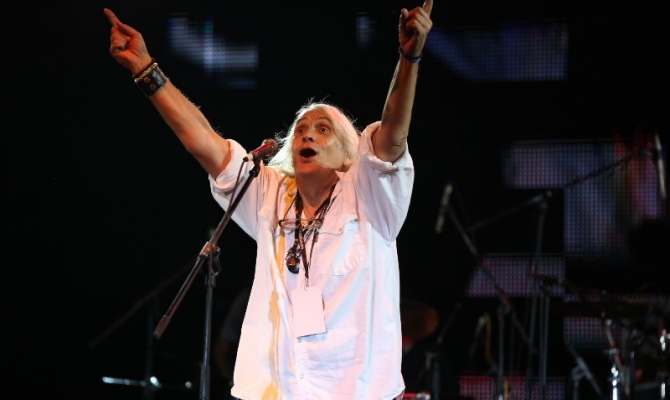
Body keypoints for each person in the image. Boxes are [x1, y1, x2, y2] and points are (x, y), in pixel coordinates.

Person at [104, 1, 434, 398]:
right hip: (279, 390)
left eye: (323, 129)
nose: (307, 134)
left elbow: (393, 136)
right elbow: (204, 142)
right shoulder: (270, 193)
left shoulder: (369, 194)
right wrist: (145, 69)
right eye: (301, 129)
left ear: (350, 153)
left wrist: (409, 59)